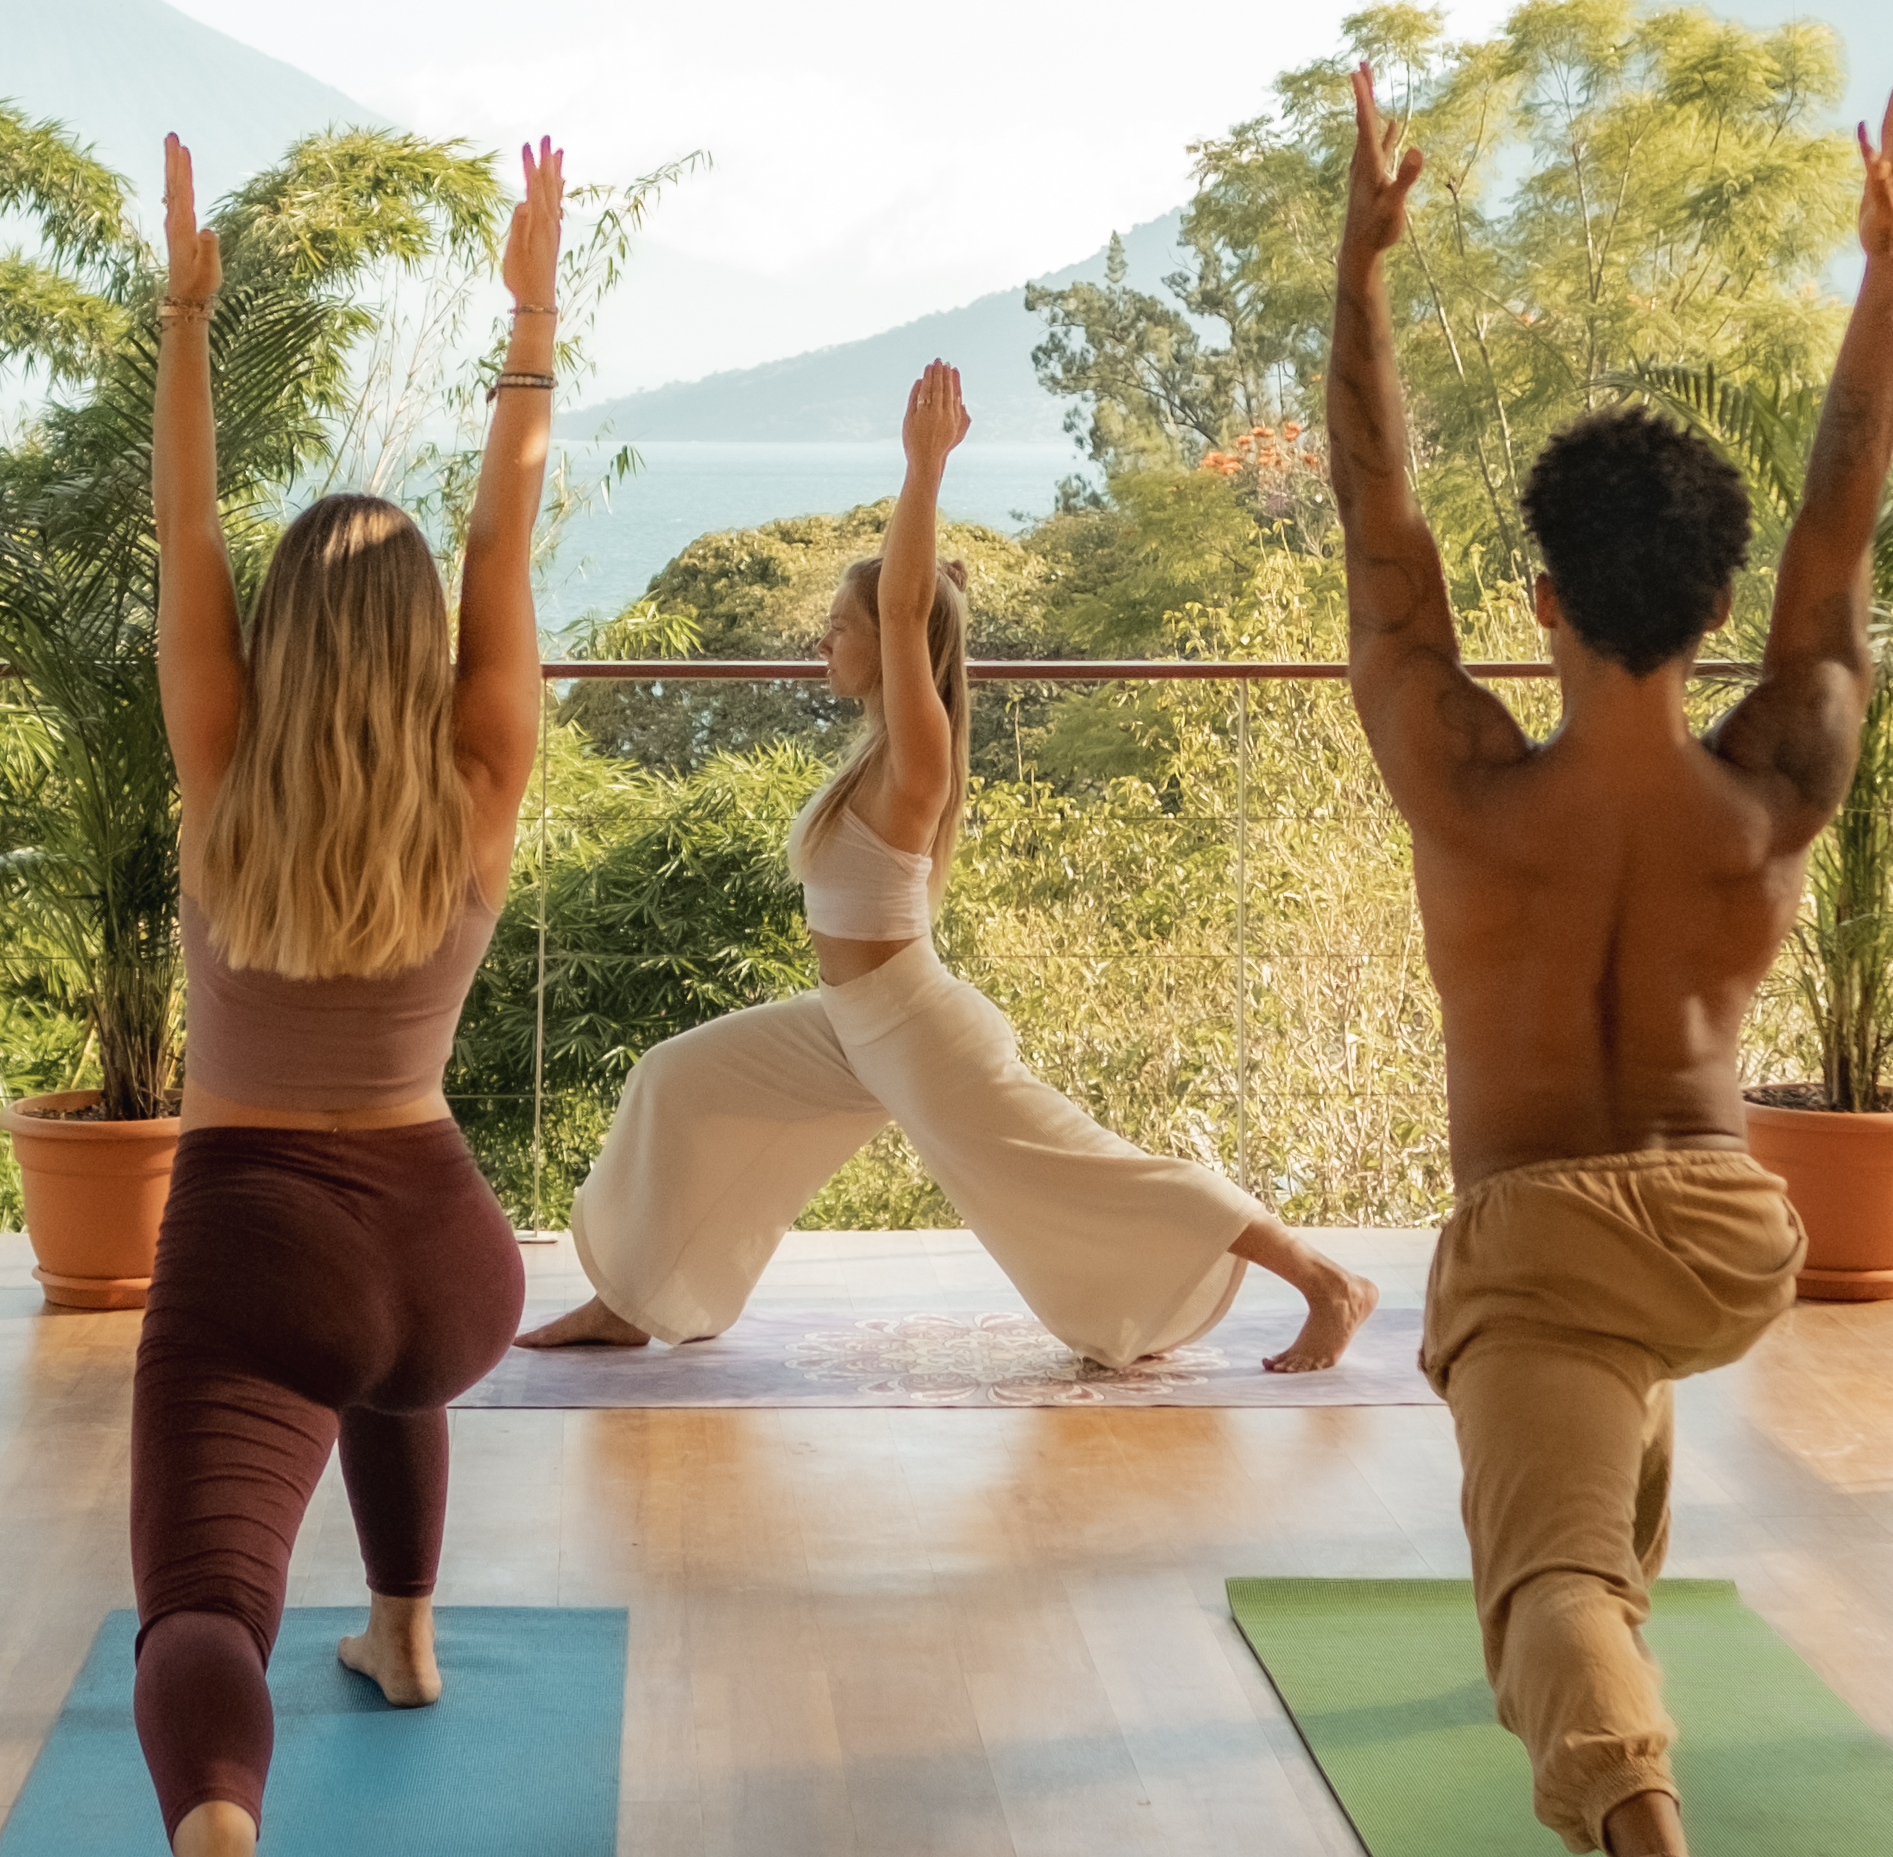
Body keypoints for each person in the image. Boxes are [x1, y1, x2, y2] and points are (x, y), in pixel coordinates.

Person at [1330, 58, 1893, 1857]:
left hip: (1549, 1238)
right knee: (1606, 1388)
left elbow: (1372, 510)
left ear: (1546, 603)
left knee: (1544, 1592)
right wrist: (1880, 277)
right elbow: (1847, 518)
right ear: (1716, 608)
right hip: (1729, 1227)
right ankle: (1623, 1606)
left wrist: (1364, 268)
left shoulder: (1466, 782)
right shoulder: (1774, 785)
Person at [516, 362, 1381, 1376]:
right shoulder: (873, 755)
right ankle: (632, 1299)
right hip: (851, 1026)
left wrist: (923, 470)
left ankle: (1329, 1283)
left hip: (917, 1031)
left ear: (889, 644)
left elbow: (903, 605)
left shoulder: (919, 752)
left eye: (838, 628)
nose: (821, 644)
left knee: (1090, 1174)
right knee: (679, 1080)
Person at [120, 130, 557, 1857]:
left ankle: (217, 1850)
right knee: (378, 1364)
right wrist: (530, 316)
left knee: (200, 1603)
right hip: (450, 1265)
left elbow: (182, 534)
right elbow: (505, 542)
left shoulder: (223, 761)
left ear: (283, 641)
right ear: (424, 651)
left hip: (253, 1244)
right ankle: (401, 1625)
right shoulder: (478, 771)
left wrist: (189, 313)